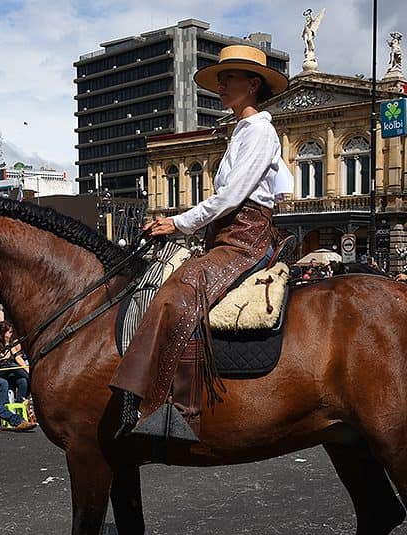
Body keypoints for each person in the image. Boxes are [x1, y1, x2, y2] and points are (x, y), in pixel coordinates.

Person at [110, 44, 290, 441]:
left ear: (253, 83)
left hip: (244, 238)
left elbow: (230, 199)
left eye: (229, 78)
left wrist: (177, 223)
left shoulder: (260, 130)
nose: (221, 85)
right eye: (220, 79)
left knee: (178, 293)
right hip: (224, 235)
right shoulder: (241, 131)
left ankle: (171, 406)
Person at [0, 321, 32, 403]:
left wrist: (27, 369)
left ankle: (20, 403)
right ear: (3, 333)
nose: (11, 334)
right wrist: (8, 344)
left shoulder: (10, 344)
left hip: (11, 370)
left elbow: (18, 358)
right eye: (9, 332)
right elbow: (4, 358)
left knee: (23, 381)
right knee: (12, 365)